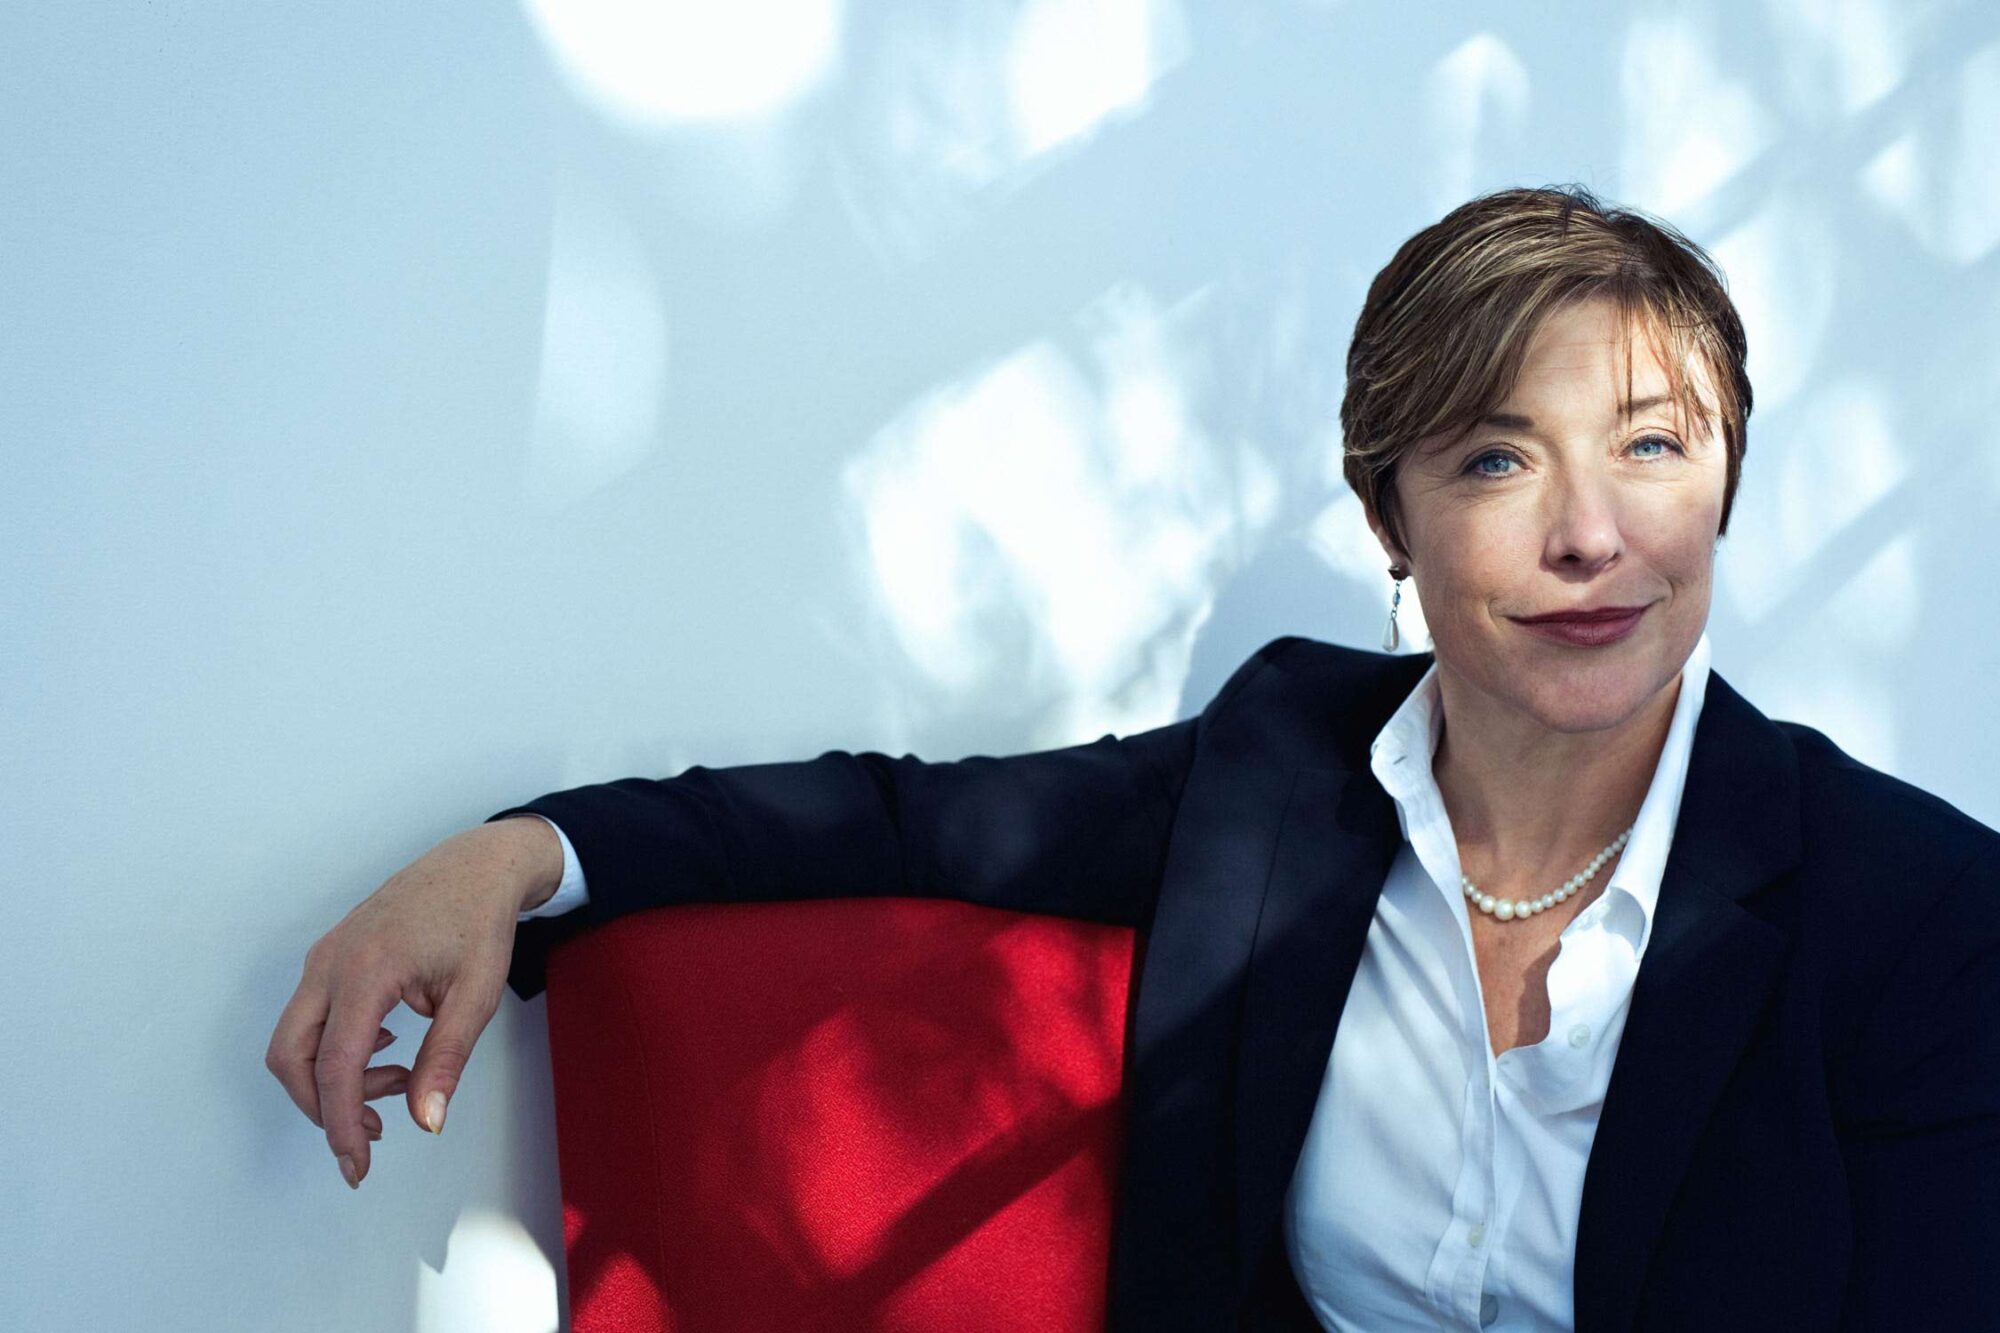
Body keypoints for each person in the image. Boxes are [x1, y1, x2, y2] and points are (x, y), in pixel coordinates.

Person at [267, 185, 2000, 1332]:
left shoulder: (1919, 913)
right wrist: (517, 855)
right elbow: (902, 815)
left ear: (1728, 484)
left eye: (1652, 447)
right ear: (1386, 512)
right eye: (1494, 460)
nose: (1592, 537)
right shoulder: (1281, 772)